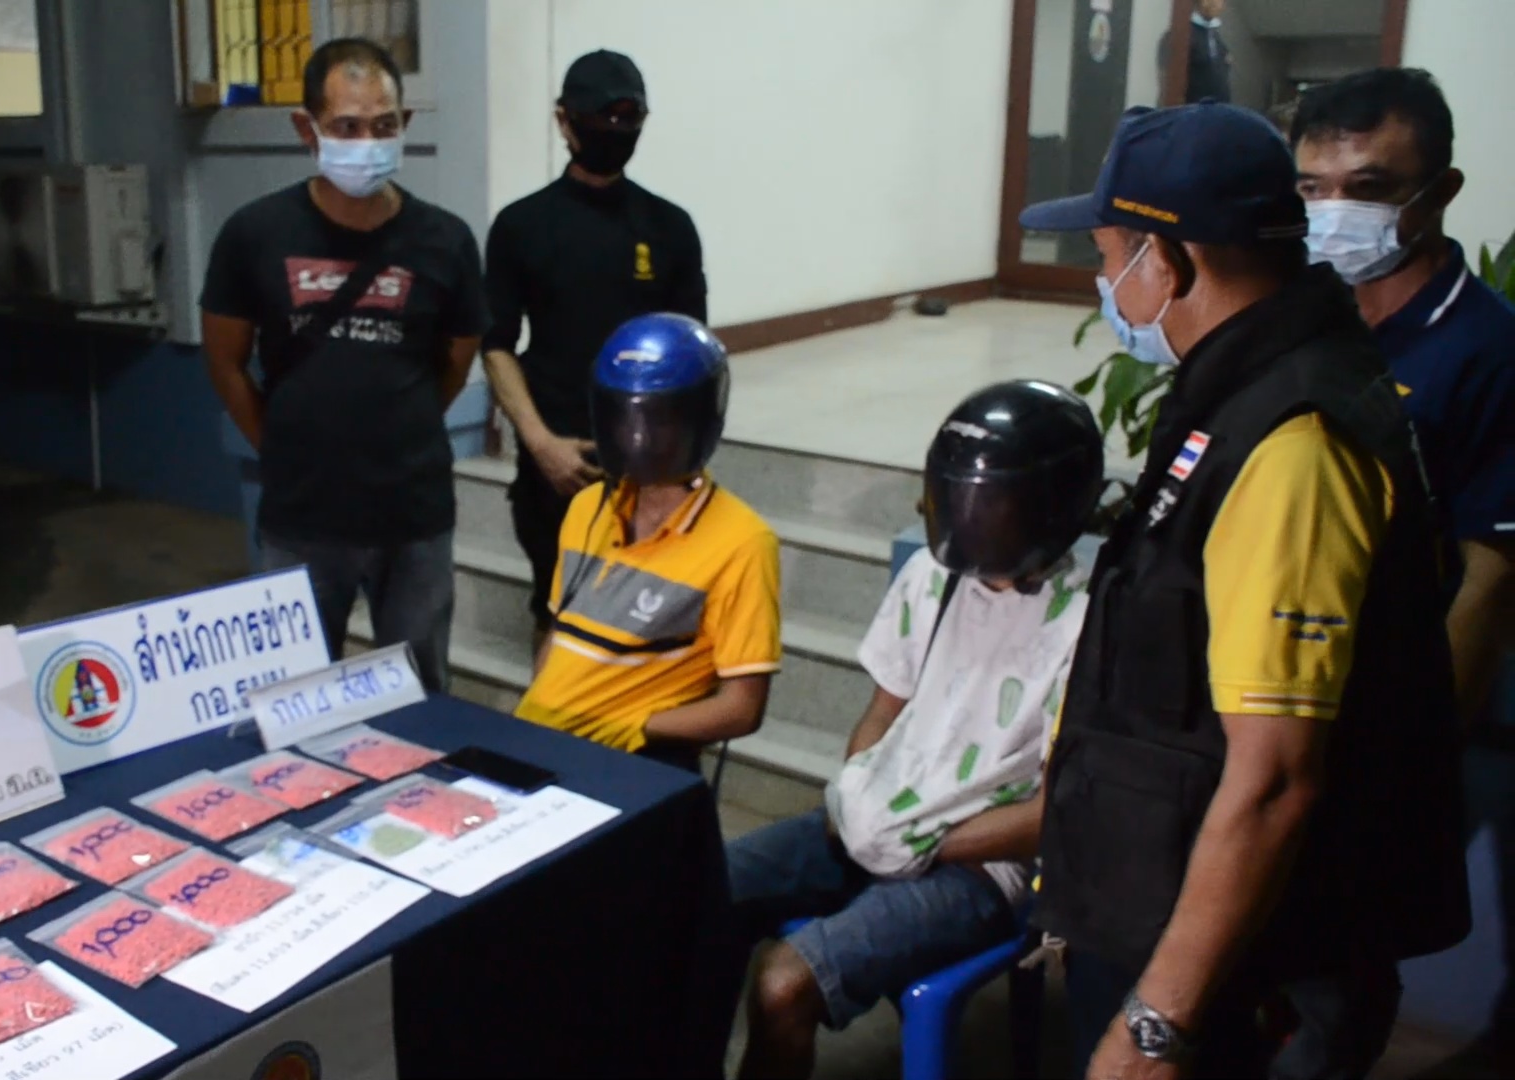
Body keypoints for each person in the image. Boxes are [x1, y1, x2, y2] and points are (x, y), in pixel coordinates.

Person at [1019, 101, 1470, 1079]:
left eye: (1108, 256)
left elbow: (1273, 781)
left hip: (1252, 973)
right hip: (1171, 911)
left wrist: (1156, 1025)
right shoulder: (1233, 393)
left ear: (1166, 262)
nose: (1106, 282)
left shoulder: (1293, 445)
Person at [726, 380, 1104, 1080]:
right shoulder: (935, 576)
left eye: (991, 506)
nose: (967, 521)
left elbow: (1055, 813)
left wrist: (923, 840)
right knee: (707, 887)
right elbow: (882, 713)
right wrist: (863, 800)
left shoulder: (1088, 623)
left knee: (783, 984)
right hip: (889, 820)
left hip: (982, 865)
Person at [1292, 67, 1515, 1067]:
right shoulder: (1303, 315)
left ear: (1441, 191)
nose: (1334, 212)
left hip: (1387, 726)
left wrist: (1406, 761)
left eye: (1370, 189)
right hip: (1278, 697)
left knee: (1336, 971)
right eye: (1313, 188)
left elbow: (1490, 579)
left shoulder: (1487, 351)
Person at [198, 39, 487, 693]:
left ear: (404, 124)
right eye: (347, 127)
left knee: (420, 696)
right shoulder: (255, 233)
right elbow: (225, 362)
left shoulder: (445, 240)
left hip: (413, 515)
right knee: (294, 697)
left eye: (383, 126)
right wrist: (280, 444)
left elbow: (454, 362)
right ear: (308, 130)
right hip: (302, 516)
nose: (367, 143)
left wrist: (400, 427)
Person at [483, 49, 707, 656]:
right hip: (559, 460)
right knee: (556, 609)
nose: (614, 132)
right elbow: (496, 345)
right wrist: (540, 443)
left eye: (628, 121)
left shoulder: (669, 228)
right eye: (600, 119)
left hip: (654, 465)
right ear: (564, 121)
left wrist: (674, 463)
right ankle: (550, 719)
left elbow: (693, 355)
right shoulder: (522, 226)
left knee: (651, 618)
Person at [513, 313, 777, 772]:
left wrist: (624, 726)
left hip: (631, 758)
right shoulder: (587, 508)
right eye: (623, 417)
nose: (638, 436)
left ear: (699, 419)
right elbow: (561, 632)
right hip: (542, 739)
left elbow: (741, 708)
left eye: (661, 420)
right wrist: (546, 707)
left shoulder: (743, 542)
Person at [1160, 0, 1231, 106]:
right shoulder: (1182, 34)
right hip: (1192, 108)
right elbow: (1168, 80)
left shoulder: (1217, 39)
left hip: (1217, 109)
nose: (1214, 2)